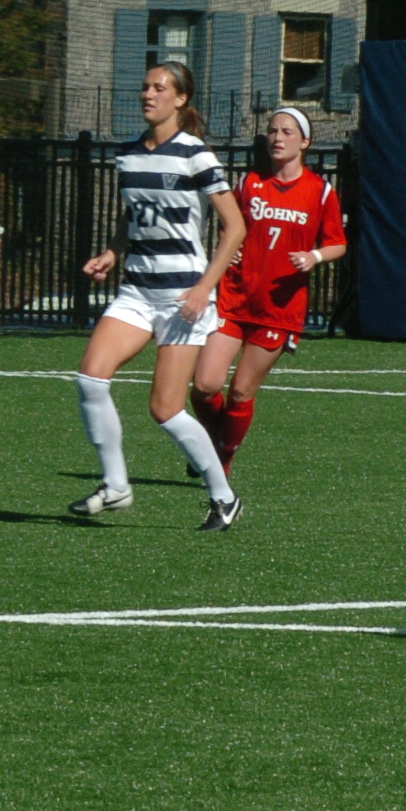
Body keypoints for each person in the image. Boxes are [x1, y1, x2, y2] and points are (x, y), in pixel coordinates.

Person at [70, 61, 249, 530]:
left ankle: (224, 497)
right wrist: (112, 252)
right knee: (90, 379)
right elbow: (133, 215)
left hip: (182, 297)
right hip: (136, 290)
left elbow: (235, 228)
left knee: (165, 409)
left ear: (180, 98)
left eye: (159, 88)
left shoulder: (196, 155)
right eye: (145, 87)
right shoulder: (128, 155)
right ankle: (116, 485)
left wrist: (203, 288)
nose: (148, 94)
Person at [190, 106, 347, 472]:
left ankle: (221, 459)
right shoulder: (249, 183)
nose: (277, 137)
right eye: (273, 130)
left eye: (287, 132)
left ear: (305, 142)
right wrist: (229, 247)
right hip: (234, 298)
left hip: (278, 307)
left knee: (241, 391)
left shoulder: (320, 191)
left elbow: (338, 243)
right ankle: (215, 440)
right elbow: (230, 226)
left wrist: (314, 256)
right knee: (205, 385)